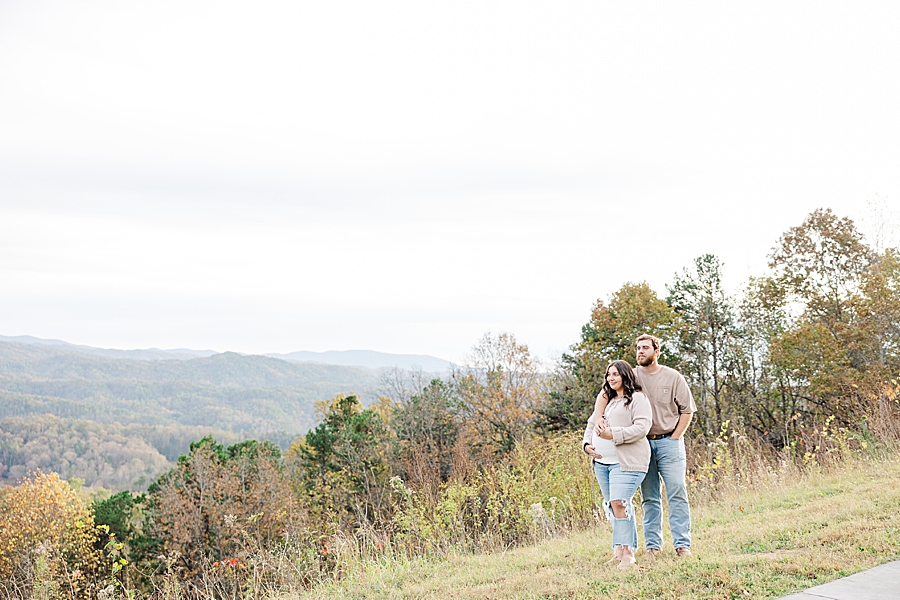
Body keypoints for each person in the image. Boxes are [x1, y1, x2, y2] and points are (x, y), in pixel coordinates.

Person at [593, 334, 697, 557]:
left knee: (677, 490)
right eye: (638, 348)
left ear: (656, 352)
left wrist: (674, 438)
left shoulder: (673, 377)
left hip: (669, 441)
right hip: (640, 445)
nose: (640, 352)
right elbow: (605, 393)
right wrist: (599, 417)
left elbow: (687, 411)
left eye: (645, 348)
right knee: (650, 496)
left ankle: (682, 544)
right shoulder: (633, 377)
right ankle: (653, 546)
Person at [582, 360, 652, 570]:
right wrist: (587, 445)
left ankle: (629, 554)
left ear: (625, 375)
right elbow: (591, 425)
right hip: (603, 463)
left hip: (628, 461)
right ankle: (618, 551)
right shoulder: (608, 400)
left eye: (615, 374)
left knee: (620, 502)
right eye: (608, 375)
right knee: (612, 506)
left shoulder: (637, 399)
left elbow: (642, 427)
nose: (611, 378)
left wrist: (613, 435)